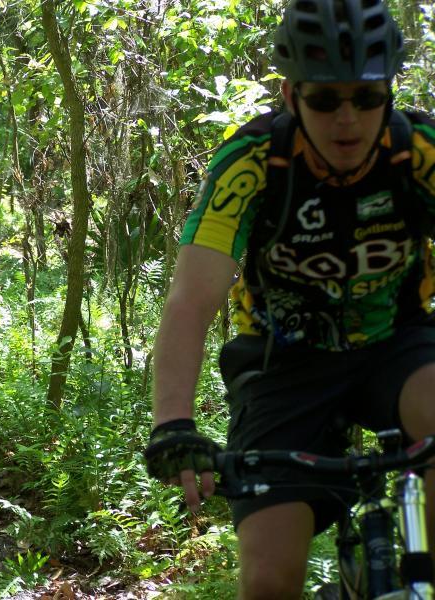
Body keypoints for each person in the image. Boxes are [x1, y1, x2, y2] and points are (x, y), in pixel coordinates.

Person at [144, 0, 435, 597]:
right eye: (325, 100)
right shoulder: (253, 162)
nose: (347, 119)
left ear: (389, 93)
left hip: (397, 344)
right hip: (283, 361)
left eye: (368, 97)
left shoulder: (420, 150)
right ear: (290, 94)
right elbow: (191, 300)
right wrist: (174, 421)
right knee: (270, 579)